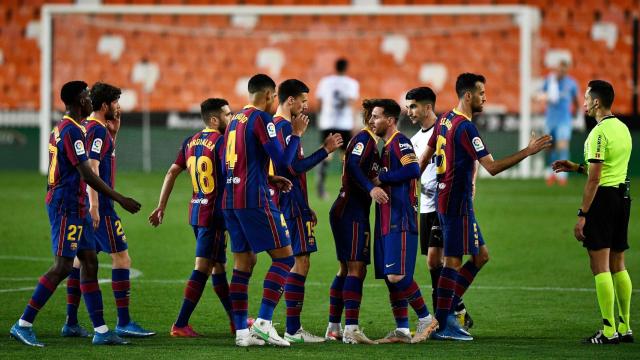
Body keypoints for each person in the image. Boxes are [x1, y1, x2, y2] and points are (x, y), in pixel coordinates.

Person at [418, 73, 551, 341]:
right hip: (456, 203)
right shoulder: (466, 128)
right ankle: (444, 324)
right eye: (481, 93)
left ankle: (443, 312)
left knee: (481, 256)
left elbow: (426, 154)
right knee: (452, 262)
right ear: (468, 95)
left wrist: (414, 181)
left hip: (450, 200)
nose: (485, 97)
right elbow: (491, 166)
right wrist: (527, 151)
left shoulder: (444, 118)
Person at [9, 81, 141, 347]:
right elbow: (87, 173)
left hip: (76, 204)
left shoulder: (70, 128)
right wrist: (119, 198)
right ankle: (23, 324)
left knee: (90, 262)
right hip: (66, 204)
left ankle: (101, 330)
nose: (90, 101)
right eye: (85, 97)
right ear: (78, 102)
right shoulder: (71, 131)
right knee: (63, 266)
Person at [62, 82, 154, 339]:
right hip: (101, 207)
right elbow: (91, 167)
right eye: (115, 103)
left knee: (80, 260)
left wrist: (115, 132)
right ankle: (123, 321)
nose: (119, 107)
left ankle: (70, 322)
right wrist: (94, 207)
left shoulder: (95, 128)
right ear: (105, 106)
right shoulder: (98, 131)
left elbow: (100, 157)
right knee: (122, 258)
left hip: (92, 204)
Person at [223, 74, 308, 347]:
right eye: (273, 98)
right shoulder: (262, 119)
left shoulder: (234, 120)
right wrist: (295, 134)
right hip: (254, 199)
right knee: (285, 258)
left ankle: (241, 333)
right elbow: (282, 162)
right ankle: (263, 322)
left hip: (230, 199)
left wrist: (269, 178)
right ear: (270, 95)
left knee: (243, 264)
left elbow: (237, 163)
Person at [552, 80, 633, 344]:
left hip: (603, 200)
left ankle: (608, 331)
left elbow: (596, 178)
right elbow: (606, 169)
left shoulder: (598, 133)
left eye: (587, 98)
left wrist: (582, 214)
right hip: (623, 197)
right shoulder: (622, 128)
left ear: (597, 102)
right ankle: (625, 327)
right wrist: (576, 167)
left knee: (600, 266)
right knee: (618, 263)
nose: (584, 102)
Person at [148, 98, 234, 337]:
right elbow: (233, 175)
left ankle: (235, 319)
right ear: (215, 119)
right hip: (214, 215)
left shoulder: (191, 141)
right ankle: (180, 324)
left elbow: (172, 171)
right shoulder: (222, 142)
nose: (231, 118)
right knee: (204, 267)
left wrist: (161, 206)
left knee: (218, 267)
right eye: (228, 114)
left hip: (196, 211)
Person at [270, 79, 343, 343]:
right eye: (302, 100)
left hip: (292, 202)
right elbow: (290, 169)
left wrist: (306, 204)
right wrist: (325, 149)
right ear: (290, 100)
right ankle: (292, 329)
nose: (305, 106)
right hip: (289, 204)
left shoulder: (280, 127)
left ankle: (279, 323)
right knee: (298, 262)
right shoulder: (283, 128)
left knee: (294, 261)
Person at [369, 99, 437, 344]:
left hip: (401, 218)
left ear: (389, 120)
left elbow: (413, 170)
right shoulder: (385, 147)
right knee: (390, 277)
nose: (371, 121)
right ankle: (401, 329)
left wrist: (383, 177)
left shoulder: (399, 142)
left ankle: (426, 318)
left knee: (397, 276)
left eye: (376, 117)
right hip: (387, 220)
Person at [406, 86, 472, 330]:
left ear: (427, 107)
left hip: (445, 203)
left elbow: (469, 158)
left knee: (437, 259)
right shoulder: (414, 140)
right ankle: (456, 306)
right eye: (407, 106)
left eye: (413, 106)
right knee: (433, 263)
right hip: (426, 205)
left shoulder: (446, 129)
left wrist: (471, 182)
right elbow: (415, 173)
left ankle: (443, 317)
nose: (409, 111)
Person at [325, 99, 380, 345]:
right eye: (375, 116)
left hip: (350, 210)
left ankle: (334, 327)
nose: (377, 121)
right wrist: (370, 187)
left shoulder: (370, 142)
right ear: (370, 119)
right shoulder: (364, 140)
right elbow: (355, 168)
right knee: (356, 268)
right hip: (351, 212)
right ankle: (351, 329)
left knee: (347, 268)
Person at [315, 58, 360, 199]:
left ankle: (321, 188)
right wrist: (354, 123)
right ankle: (346, 188)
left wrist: (320, 118)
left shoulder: (325, 82)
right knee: (346, 157)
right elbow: (352, 103)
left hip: (327, 122)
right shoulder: (352, 83)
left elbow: (320, 102)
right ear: (346, 68)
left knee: (325, 154)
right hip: (344, 123)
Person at [540, 60, 579, 186]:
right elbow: (542, 94)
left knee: (562, 146)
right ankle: (551, 172)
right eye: (559, 69)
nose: (560, 72)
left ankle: (562, 175)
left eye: (563, 70)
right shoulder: (549, 81)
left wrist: (575, 113)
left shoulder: (572, 83)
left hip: (564, 120)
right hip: (550, 119)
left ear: (566, 70)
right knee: (549, 147)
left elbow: (576, 100)